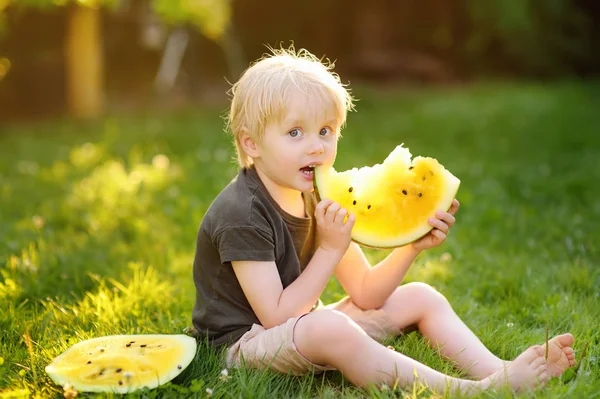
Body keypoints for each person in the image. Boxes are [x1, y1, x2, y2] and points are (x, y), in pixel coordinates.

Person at [191, 47, 576, 395]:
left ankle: (502, 371)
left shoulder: (317, 196)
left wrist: (411, 247)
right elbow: (275, 317)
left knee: (420, 295)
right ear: (251, 143)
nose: (316, 145)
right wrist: (329, 248)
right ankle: (474, 391)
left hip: (302, 326)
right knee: (329, 327)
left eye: (326, 131)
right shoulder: (241, 214)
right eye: (295, 132)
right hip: (241, 345)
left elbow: (366, 293)